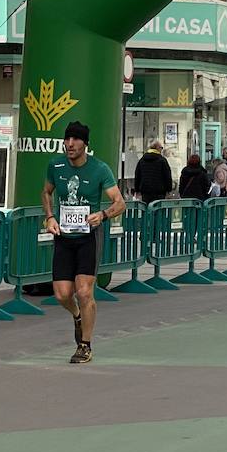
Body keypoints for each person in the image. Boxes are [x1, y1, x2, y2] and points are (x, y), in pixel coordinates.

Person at [42, 121, 126, 364]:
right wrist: (49, 217)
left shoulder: (99, 169)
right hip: (64, 237)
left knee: (84, 291)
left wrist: (102, 215)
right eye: (67, 139)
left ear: (85, 144)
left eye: (76, 140)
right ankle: (77, 316)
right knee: (62, 294)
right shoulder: (55, 166)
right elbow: (46, 192)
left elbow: (120, 203)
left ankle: (85, 345)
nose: (70, 144)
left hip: (88, 236)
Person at [133, 139, 174, 204]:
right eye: (161, 148)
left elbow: (137, 175)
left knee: (147, 210)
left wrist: (137, 190)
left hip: (145, 192)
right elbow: (167, 176)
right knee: (158, 211)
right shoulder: (162, 161)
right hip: (159, 192)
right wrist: (169, 189)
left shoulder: (142, 160)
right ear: (157, 148)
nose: (162, 150)